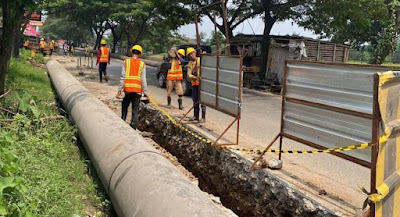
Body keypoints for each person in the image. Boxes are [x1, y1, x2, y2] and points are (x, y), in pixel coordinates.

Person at [116, 45, 147, 129]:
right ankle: (133, 127)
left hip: (128, 90)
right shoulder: (142, 64)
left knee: (125, 105)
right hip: (137, 91)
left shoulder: (126, 62)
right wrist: (146, 93)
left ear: (132, 51)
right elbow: (143, 80)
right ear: (140, 54)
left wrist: (119, 91)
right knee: (135, 110)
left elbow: (123, 77)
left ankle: (122, 121)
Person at [186, 47, 206, 122]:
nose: (191, 56)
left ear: (195, 53)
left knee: (203, 101)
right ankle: (196, 116)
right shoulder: (190, 64)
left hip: (202, 84)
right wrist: (195, 77)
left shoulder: (200, 60)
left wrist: (206, 56)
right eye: (189, 55)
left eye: (191, 53)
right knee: (195, 100)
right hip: (194, 84)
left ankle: (203, 117)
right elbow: (189, 74)